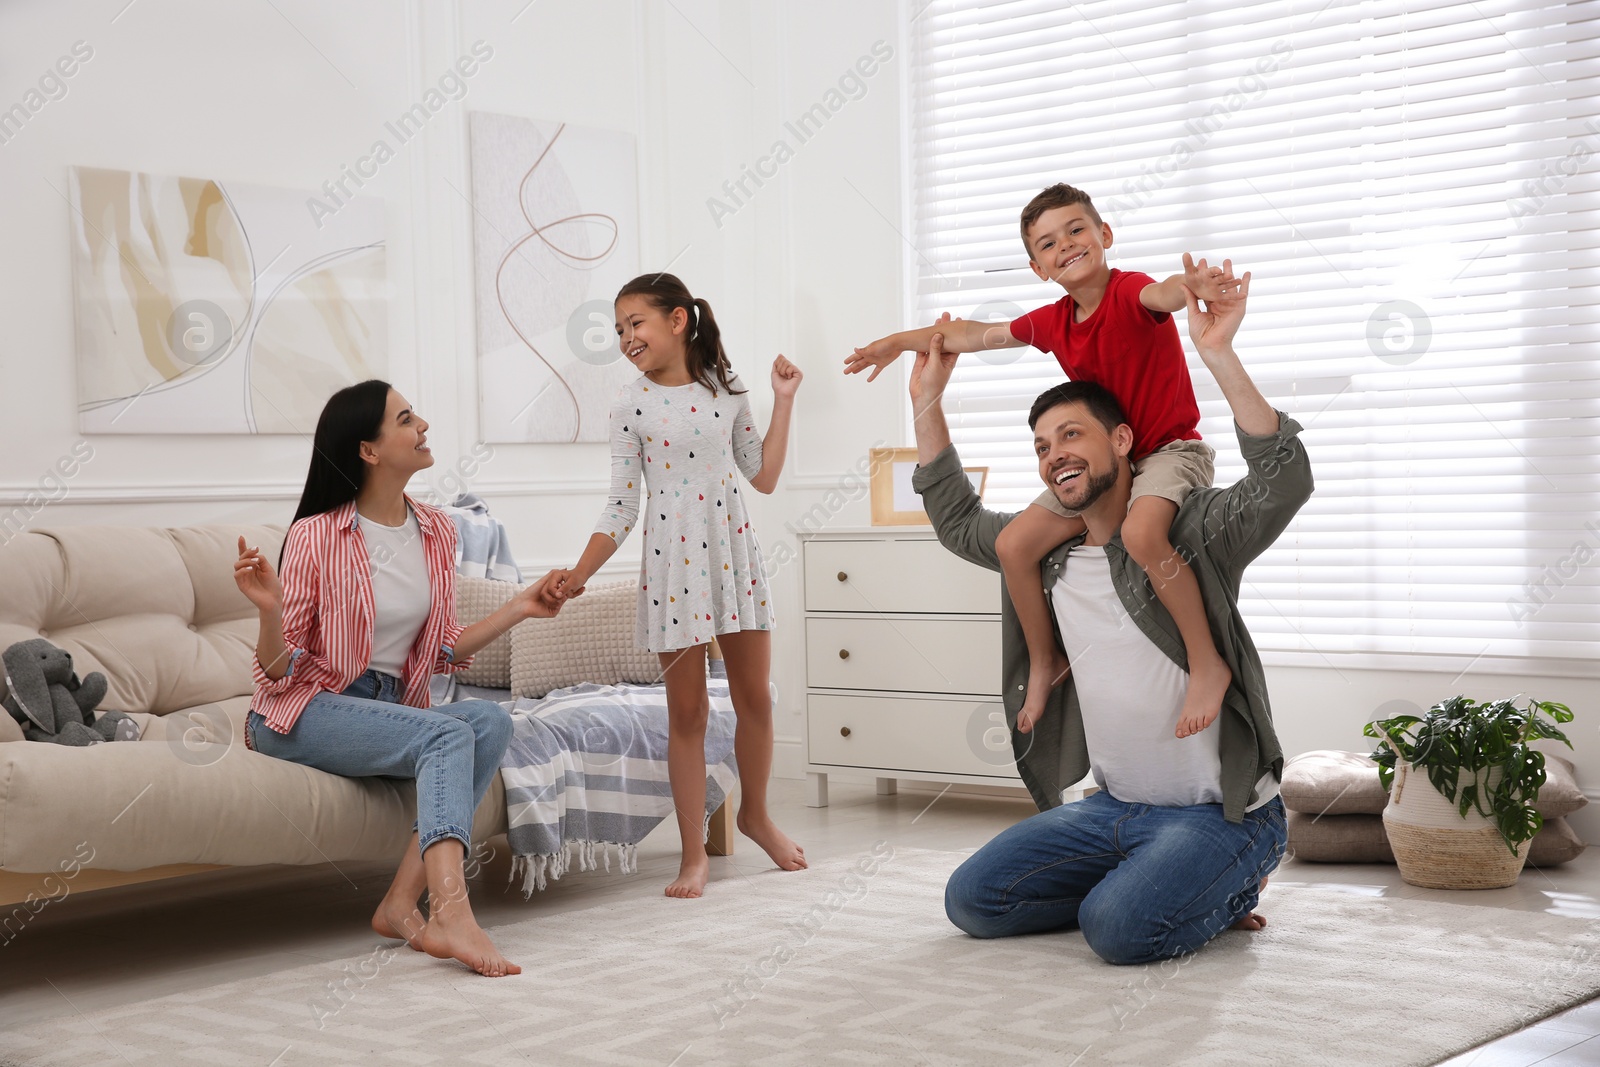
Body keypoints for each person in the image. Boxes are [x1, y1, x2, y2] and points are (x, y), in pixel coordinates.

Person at [907, 274, 1312, 964]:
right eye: (1041, 445)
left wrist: (1218, 356)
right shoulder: (1050, 559)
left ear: (1123, 441)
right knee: (973, 900)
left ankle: (1230, 876)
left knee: (1118, 930)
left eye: (1072, 434)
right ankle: (1170, 885)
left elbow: (1283, 480)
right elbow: (959, 524)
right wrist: (927, 400)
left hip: (1219, 815)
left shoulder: (1192, 533)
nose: (1055, 452)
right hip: (1111, 808)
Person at [845, 183, 1237, 740]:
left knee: (1145, 534)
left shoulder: (1130, 292)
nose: (1068, 245)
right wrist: (895, 341)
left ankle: (1206, 661)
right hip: (1102, 465)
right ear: (1038, 266)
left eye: (1077, 230)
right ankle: (1046, 659)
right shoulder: (1053, 322)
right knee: (1011, 545)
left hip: (1168, 450)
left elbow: (1165, 295)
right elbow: (970, 334)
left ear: (1104, 235)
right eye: (1049, 243)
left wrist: (1193, 286)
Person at [234, 380, 570, 977]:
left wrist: (520, 606)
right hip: (302, 712)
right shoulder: (316, 535)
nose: (424, 427)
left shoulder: (437, 532)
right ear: (369, 450)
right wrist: (270, 610)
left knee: (488, 721)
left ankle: (396, 905)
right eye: (408, 419)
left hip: (388, 710)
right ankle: (452, 911)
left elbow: (440, 648)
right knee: (445, 736)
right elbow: (280, 670)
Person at [546, 273, 807, 899]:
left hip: (733, 558)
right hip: (672, 569)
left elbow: (762, 477)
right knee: (685, 713)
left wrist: (784, 399)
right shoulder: (629, 406)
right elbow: (620, 506)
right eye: (619, 330)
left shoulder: (728, 389)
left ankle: (756, 816)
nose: (626, 338)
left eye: (635, 323)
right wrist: (578, 574)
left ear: (678, 320)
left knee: (757, 700)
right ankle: (695, 853)